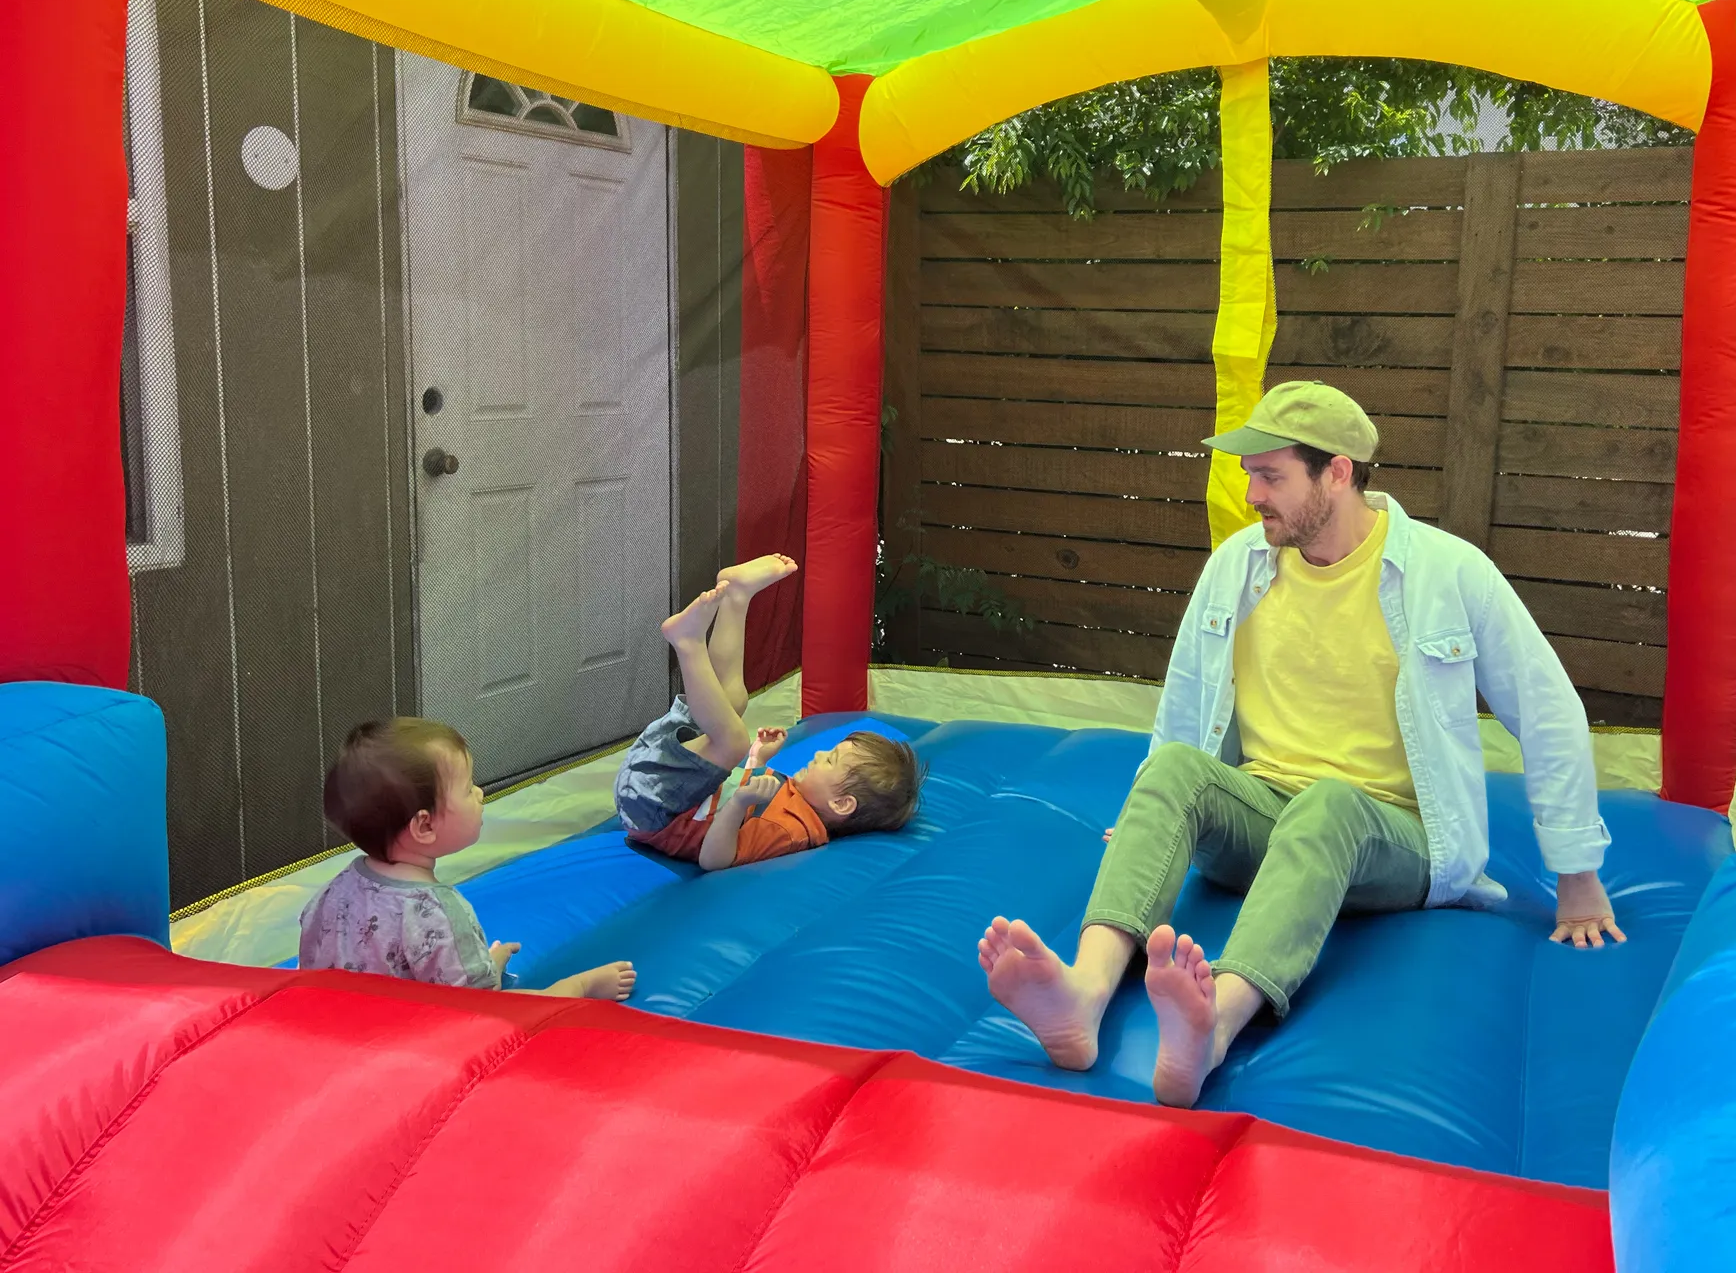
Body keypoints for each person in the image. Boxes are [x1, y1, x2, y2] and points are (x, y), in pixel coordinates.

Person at [977, 380, 1623, 1108]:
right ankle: (1083, 994)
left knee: (1327, 806)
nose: (1253, 495)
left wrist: (1576, 872)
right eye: (1250, 474)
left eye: (1272, 475)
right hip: (1265, 813)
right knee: (1172, 771)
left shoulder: (1449, 573)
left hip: (1395, 836)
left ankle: (1211, 1026)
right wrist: (1148, 825)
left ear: (1337, 472)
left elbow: (1548, 710)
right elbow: (1186, 700)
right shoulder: (1237, 566)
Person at [617, 556, 923, 871]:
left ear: (841, 804)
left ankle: (688, 643)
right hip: (661, 786)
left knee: (732, 738)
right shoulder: (797, 796)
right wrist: (758, 760)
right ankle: (737, 596)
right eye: (829, 752)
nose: (819, 754)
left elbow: (713, 859)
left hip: (652, 808)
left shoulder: (792, 829)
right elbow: (730, 788)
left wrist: (738, 805)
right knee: (734, 702)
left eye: (830, 760)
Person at [299, 718, 636, 999]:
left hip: (342, 1037)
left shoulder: (333, 890)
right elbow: (480, 1009)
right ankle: (578, 987)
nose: (480, 793)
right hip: (410, 1048)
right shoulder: (437, 911)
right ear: (425, 825)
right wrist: (571, 987)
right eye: (468, 788)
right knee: (524, 1006)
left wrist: (487, 964)